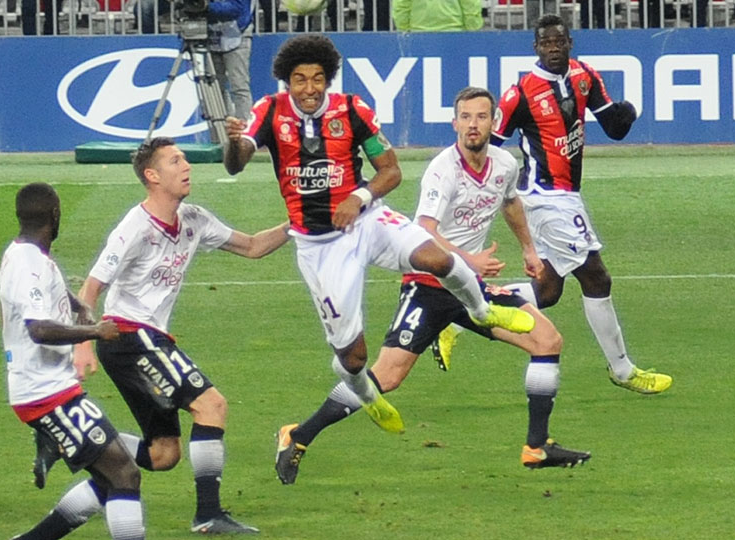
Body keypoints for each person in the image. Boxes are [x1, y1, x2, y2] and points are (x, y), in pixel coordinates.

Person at [272, 86, 590, 484]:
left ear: (494, 122)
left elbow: (510, 201)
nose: (473, 125)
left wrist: (528, 248)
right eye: (466, 117)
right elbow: (424, 229)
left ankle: (536, 446)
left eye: (481, 117)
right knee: (386, 377)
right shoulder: (443, 169)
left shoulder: (505, 163)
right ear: (454, 122)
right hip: (430, 285)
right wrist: (468, 260)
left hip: (471, 288)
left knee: (548, 342)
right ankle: (297, 435)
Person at [222, 34, 534, 438]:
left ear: (328, 78)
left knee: (436, 259)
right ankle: (368, 397)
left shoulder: (352, 110)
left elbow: (391, 171)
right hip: (320, 246)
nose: (309, 88)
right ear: (287, 81)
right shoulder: (269, 111)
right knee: (353, 358)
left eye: (318, 78)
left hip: (368, 219)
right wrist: (233, 144)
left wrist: (359, 196)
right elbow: (236, 164)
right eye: (300, 79)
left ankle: (479, 310)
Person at [76, 137, 291, 535]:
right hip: (127, 336)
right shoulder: (134, 228)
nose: (187, 165)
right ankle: (208, 514)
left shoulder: (194, 219)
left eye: (185, 159)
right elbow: (90, 289)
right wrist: (83, 343)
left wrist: (298, 222)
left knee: (163, 454)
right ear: (152, 176)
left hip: (147, 340)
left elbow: (253, 246)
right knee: (212, 405)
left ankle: (75, 437)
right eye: (176, 161)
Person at [491, 13, 672, 395]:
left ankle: (462, 309)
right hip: (544, 196)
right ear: (535, 48)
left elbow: (615, 128)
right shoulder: (520, 93)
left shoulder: (584, 75)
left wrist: (630, 109)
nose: (553, 49)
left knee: (549, 290)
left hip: (567, 194)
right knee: (596, 276)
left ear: (570, 43)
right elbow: (489, 149)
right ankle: (622, 370)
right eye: (546, 43)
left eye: (560, 42)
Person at [1, 183, 145, 540]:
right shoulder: (29, 263)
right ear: (55, 215)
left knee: (108, 474)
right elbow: (39, 330)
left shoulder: (23, 254)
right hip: (46, 393)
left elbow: (40, 296)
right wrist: (95, 331)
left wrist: (76, 303)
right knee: (125, 474)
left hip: (51, 389)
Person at [182, 0, 256, 119]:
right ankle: (221, 133)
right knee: (214, 85)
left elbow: (237, 7)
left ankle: (244, 134)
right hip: (207, 30)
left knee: (239, 85)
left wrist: (207, 8)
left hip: (237, 29)